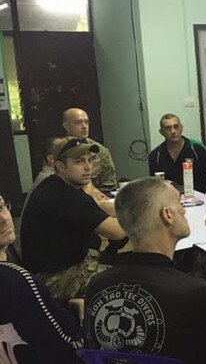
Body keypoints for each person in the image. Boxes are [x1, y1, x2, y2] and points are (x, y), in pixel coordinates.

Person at [84, 177, 206, 364]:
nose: (183, 210)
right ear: (168, 215)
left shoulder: (97, 284)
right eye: (179, 204)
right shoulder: (199, 293)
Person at [21, 137, 126, 299]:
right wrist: (146, 213)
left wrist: (126, 207)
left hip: (65, 264)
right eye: (79, 162)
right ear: (60, 166)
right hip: (56, 278)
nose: (87, 167)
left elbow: (100, 208)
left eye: (89, 160)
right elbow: (117, 232)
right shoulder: (66, 197)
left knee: (131, 264)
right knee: (136, 281)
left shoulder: (57, 185)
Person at [0, 193, 84, 363]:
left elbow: (28, 311)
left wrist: (67, 303)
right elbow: (66, 350)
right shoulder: (15, 281)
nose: (3, 218)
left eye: (1, 206)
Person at [148, 113, 206, 193]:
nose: (173, 131)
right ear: (161, 132)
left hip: (199, 199)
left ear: (181, 128)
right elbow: (154, 184)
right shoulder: (155, 155)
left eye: (176, 127)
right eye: (168, 128)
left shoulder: (196, 148)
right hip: (170, 200)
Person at [62, 107, 117, 191]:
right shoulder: (58, 149)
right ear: (66, 126)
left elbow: (110, 184)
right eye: (78, 123)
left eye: (86, 122)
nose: (84, 126)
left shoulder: (100, 150)